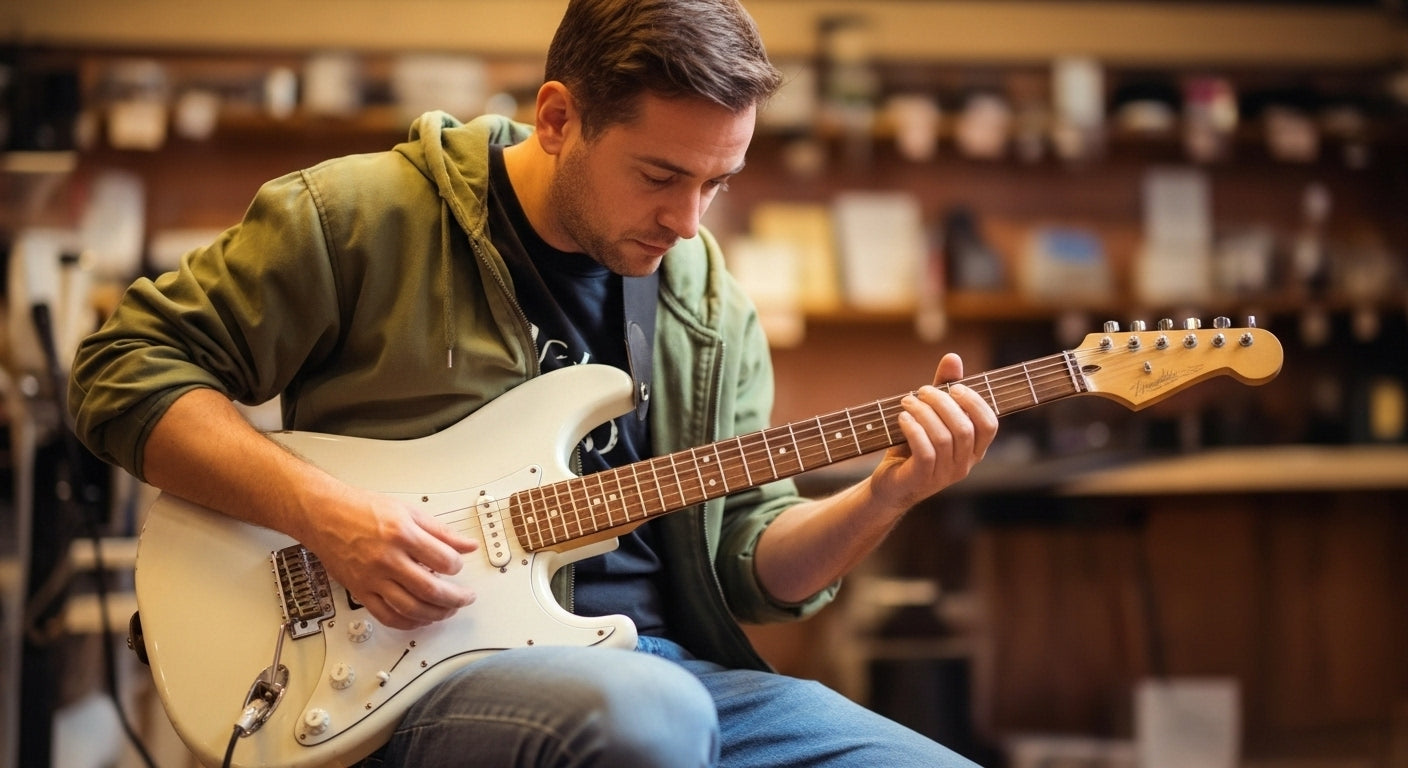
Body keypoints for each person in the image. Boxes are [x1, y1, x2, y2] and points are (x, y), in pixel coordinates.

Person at [68, 0, 998, 765]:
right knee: (645, 720)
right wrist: (327, 516)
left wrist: (888, 493)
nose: (687, 220)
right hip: (407, 676)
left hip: (667, 666)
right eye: (661, 176)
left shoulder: (708, 301)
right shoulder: (361, 217)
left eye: (717, 183)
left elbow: (748, 567)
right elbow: (123, 371)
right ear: (557, 119)